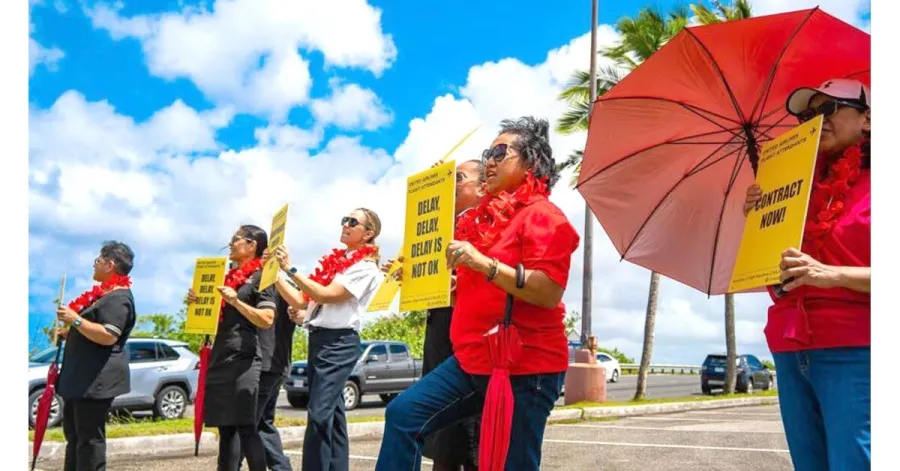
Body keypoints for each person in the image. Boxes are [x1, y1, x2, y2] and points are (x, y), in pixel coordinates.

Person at [375, 117, 580, 471]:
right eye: (488, 152)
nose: (489, 160)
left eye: (500, 152)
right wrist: (455, 289)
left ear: (530, 161)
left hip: (525, 366)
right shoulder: (483, 220)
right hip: (472, 360)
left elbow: (547, 290)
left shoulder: (545, 216)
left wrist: (484, 265)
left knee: (509, 463)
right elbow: (483, 291)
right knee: (403, 414)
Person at [742, 78, 871, 471]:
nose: (819, 120)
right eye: (811, 114)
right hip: (789, 346)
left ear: (867, 120)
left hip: (856, 348)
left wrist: (831, 275)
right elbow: (775, 276)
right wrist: (760, 219)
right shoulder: (793, 186)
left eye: (831, 108)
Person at [382, 159, 486, 471]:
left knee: (461, 423)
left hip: (466, 333)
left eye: (457, 178)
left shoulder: (484, 227)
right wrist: (410, 276)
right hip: (440, 327)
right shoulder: (442, 228)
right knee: (435, 422)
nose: (450, 184)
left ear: (483, 188)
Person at [266, 208, 384, 471]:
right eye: (344, 219)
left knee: (319, 414)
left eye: (353, 221)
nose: (345, 224)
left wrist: (290, 268)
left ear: (368, 234)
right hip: (319, 340)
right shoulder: (338, 263)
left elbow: (327, 294)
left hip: (339, 343)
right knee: (334, 416)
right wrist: (274, 273)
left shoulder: (365, 268)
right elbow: (301, 299)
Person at [187, 225, 277, 471]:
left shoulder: (262, 277)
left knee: (247, 426)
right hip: (220, 356)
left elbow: (267, 318)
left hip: (244, 358)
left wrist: (236, 301)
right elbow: (213, 317)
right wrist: (197, 303)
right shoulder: (223, 278)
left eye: (236, 239)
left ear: (252, 246)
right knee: (225, 428)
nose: (230, 243)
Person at [56, 240, 137, 471]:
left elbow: (109, 335)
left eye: (98, 261)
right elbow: (91, 330)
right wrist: (70, 332)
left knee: (89, 439)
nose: (95, 265)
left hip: (96, 380)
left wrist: (76, 320)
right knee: (75, 436)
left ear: (110, 265)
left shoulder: (119, 298)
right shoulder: (104, 294)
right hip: (81, 378)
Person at [239, 291, 296, 471]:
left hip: (263, 364)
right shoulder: (288, 288)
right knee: (262, 423)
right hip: (276, 364)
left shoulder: (261, 287)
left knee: (245, 424)